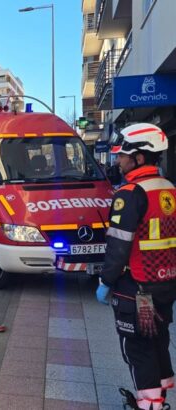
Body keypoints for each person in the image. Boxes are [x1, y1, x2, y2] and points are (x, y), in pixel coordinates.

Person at [96, 123, 176, 410]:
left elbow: (119, 246)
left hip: (137, 286)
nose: (118, 160)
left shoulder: (130, 194)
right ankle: (160, 399)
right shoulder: (169, 189)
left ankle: (149, 405)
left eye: (123, 155)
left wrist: (106, 281)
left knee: (137, 348)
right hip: (166, 283)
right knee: (158, 340)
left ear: (139, 158)